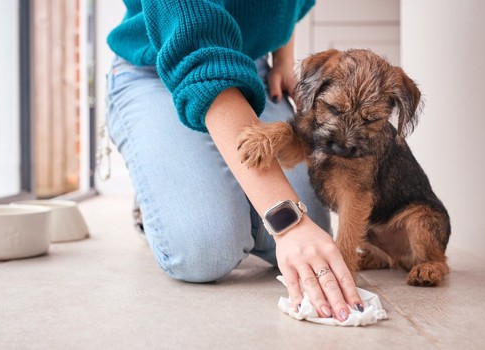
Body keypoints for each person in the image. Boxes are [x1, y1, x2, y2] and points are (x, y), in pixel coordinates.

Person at [105, 0, 363, 321]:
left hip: (250, 65)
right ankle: (159, 175)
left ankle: (191, 169)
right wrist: (288, 224)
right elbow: (198, 47)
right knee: (208, 250)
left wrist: (282, 59)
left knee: (307, 233)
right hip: (160, 65)